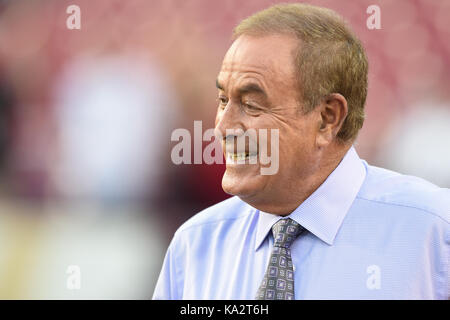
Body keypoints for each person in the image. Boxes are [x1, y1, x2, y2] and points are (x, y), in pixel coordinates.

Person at [153, 3, 449, 299]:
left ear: (327, 117)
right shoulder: (194, 247)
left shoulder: (433, 232)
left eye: (251, 105)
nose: (222, 127)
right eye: (222, 100)